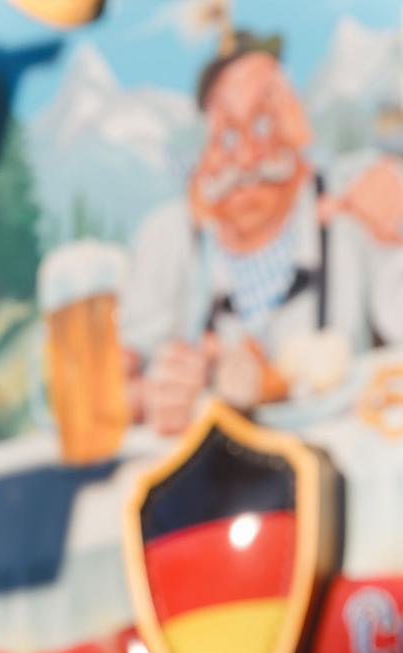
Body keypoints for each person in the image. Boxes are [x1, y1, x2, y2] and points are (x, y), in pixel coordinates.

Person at [122, 30, 403, 434]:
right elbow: (108, 385)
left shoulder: (350, 203)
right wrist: (149, 397)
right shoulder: (168, 238)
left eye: (266, 124)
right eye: (229, 134)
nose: (249, 156)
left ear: (298, 127)